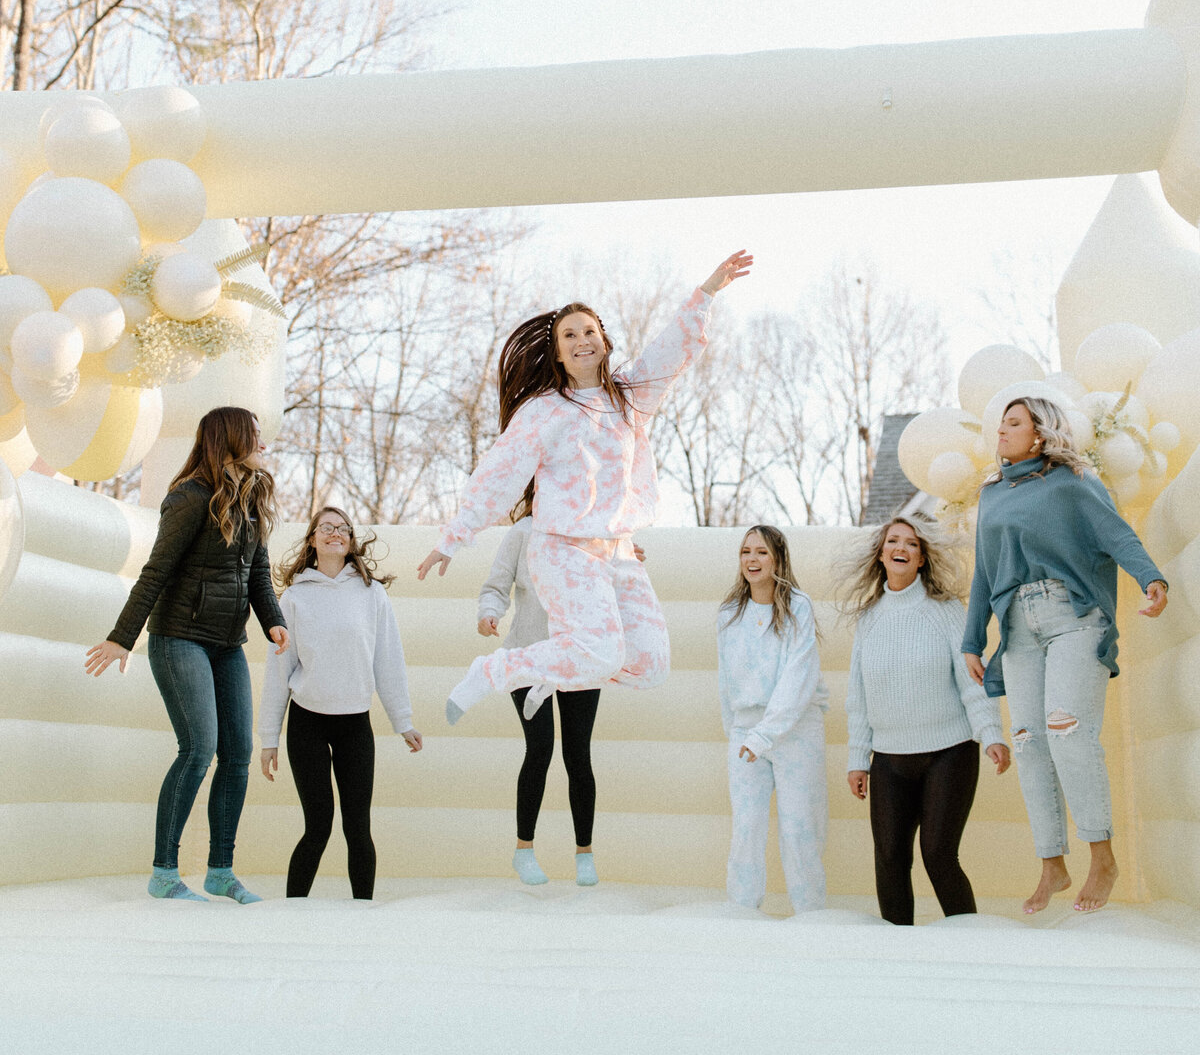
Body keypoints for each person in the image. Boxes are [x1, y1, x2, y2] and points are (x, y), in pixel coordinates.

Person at [419, 252, 753, 725]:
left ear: (604, 341)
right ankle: (496, 669)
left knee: (649, 664)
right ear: (557, 352)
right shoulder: (543, 410)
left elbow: (670, 349)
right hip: (563, 549)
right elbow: (499, 474)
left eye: (589, 331)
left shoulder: (630, 396)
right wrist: (454, 537)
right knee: (600, 650)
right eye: (569, 336)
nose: (581, 341)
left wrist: (707, 293)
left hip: (617, 550)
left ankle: (554, 672)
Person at [962, 392, 1169, 915]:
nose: (1001, 431)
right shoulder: (992, 495)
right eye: (1000, 423)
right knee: (1029, 742)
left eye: (1013, 423)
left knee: (1067, 731)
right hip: (1017, 627)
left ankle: (1102, 857)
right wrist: (972, 640)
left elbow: (1117, 535)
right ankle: (1052, 863)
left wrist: (1151, 578)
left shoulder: (1074, 482)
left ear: (1040, 433)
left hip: (1072, 616)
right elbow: (984, 571)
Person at [84, 406, 286, 904]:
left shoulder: (252, 500)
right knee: (198, 748)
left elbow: (258, 575)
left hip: (227, 645)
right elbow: (156, 571)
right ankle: (164, 873)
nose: (264, 444)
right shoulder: (190, 497)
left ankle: (221, 871)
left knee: (236, 755)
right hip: (179, 638)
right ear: (231, 439)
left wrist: (274, 621)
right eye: (255, 436)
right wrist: (122, 637)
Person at [842, 515, 1010, 926]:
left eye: (912, 543)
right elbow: (859, 697)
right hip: (889, 760)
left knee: (938, 853)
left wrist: (991, 733)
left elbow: (972, 678)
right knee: (890, 857)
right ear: (881, 554)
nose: (901, 547)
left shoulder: (946, 610)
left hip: (948, 753)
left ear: (921, 559)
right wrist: (858, 760)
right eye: (893, 541)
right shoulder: (869, 619)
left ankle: (968, 941)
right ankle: (899, 948)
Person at [477, 500, 646, 887]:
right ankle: (524, 849)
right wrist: (489, 613)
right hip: (530, 656)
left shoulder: (594, 535)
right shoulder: (523, 533)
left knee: (578, 753)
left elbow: (615, 582)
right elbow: (496, 586)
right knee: (539, 748)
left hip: (579, 656)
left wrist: (629, 561)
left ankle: (585, 854)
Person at [259, 505, 422, 900]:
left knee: (357, 827)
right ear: (312, 539)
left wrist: (403, 720)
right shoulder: (295, 597)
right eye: (326, 527)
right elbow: (279, 671)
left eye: (344, 528)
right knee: (318, 826)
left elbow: (388, 660)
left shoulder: (371, 594)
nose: (336, 533)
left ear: (351, 541)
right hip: (307, 724)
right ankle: (292, 911)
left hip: (354, 726)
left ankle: (363, 913)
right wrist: (269, 739)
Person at [717, 524, 828, 914]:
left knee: (800, 830)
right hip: (746, 734)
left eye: (762, 552)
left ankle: (810, 915)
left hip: (795, 730)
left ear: (778, 559)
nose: (752, 559)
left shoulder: (799, 607)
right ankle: (742, 912)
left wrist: (763, 736)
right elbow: (725, 679)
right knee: (746, 829)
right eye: (746, 551)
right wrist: (738, 732)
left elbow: (798, 680)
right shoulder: (729, 613)